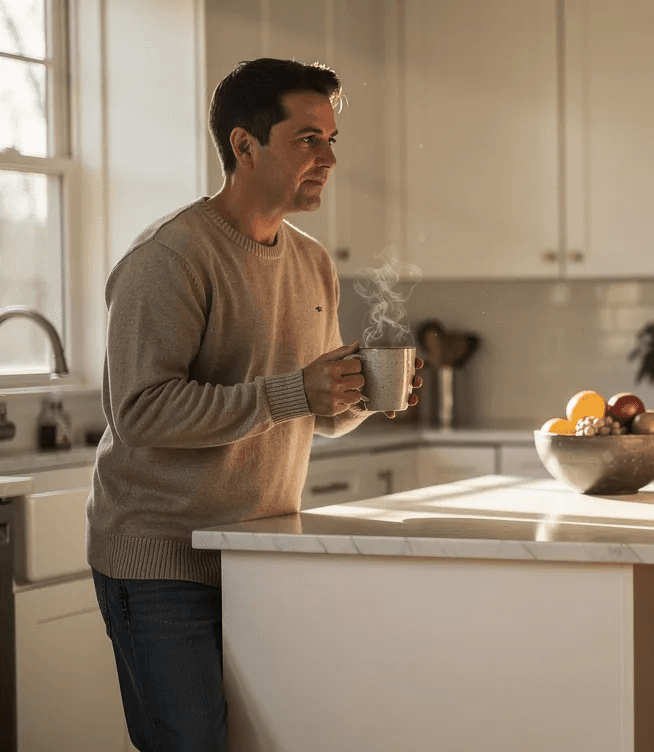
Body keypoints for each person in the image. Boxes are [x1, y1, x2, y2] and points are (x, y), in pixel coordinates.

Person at [86, 58, 422, 751]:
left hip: (261, 554)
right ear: (245, 145)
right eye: (308, 139)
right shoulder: (170, 257)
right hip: (164, 561)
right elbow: (142, 414)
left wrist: (363, 392)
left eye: (332, 139)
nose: (330, 159)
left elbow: (314, 410)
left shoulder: (312, 261)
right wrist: (298, 390)